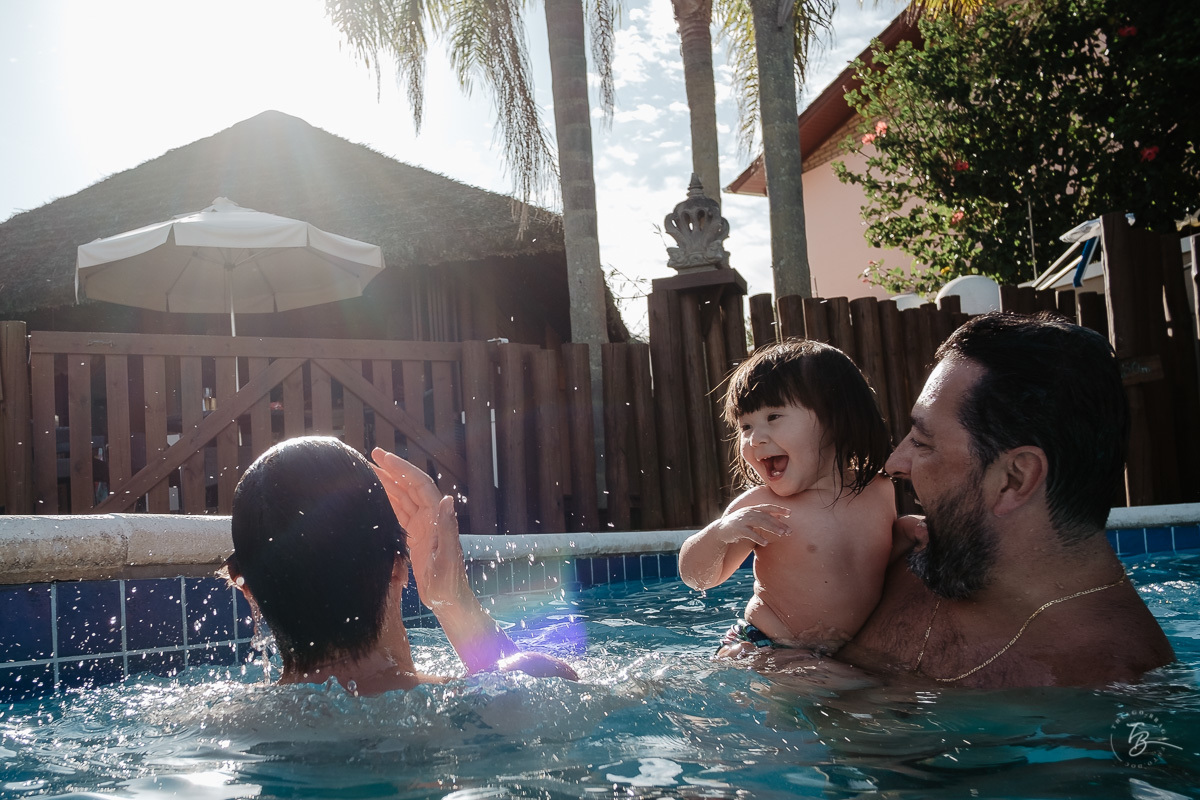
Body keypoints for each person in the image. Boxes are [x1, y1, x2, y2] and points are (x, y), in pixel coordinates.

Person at [837, 312, 1175, 688]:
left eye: (922, 441)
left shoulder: (1103, 688)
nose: (895, 463)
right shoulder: (903, 563)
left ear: (1015, 479)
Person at [222, 436, 576, 695]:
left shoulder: (223, 732)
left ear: (247, 589)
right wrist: (453, 601)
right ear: (397, 568)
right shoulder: (496, 697)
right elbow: (540, 698)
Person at [678, 339, 896, 655]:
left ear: (836, 418)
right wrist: (720, 533)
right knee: (854, 688)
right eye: (746, 426)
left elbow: (881, 556)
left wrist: (909, 534)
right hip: (766, 645)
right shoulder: (760, 509)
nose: (754, 439)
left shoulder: (879, 491)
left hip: (839, 653)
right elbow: (697, 578)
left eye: (773, 416)